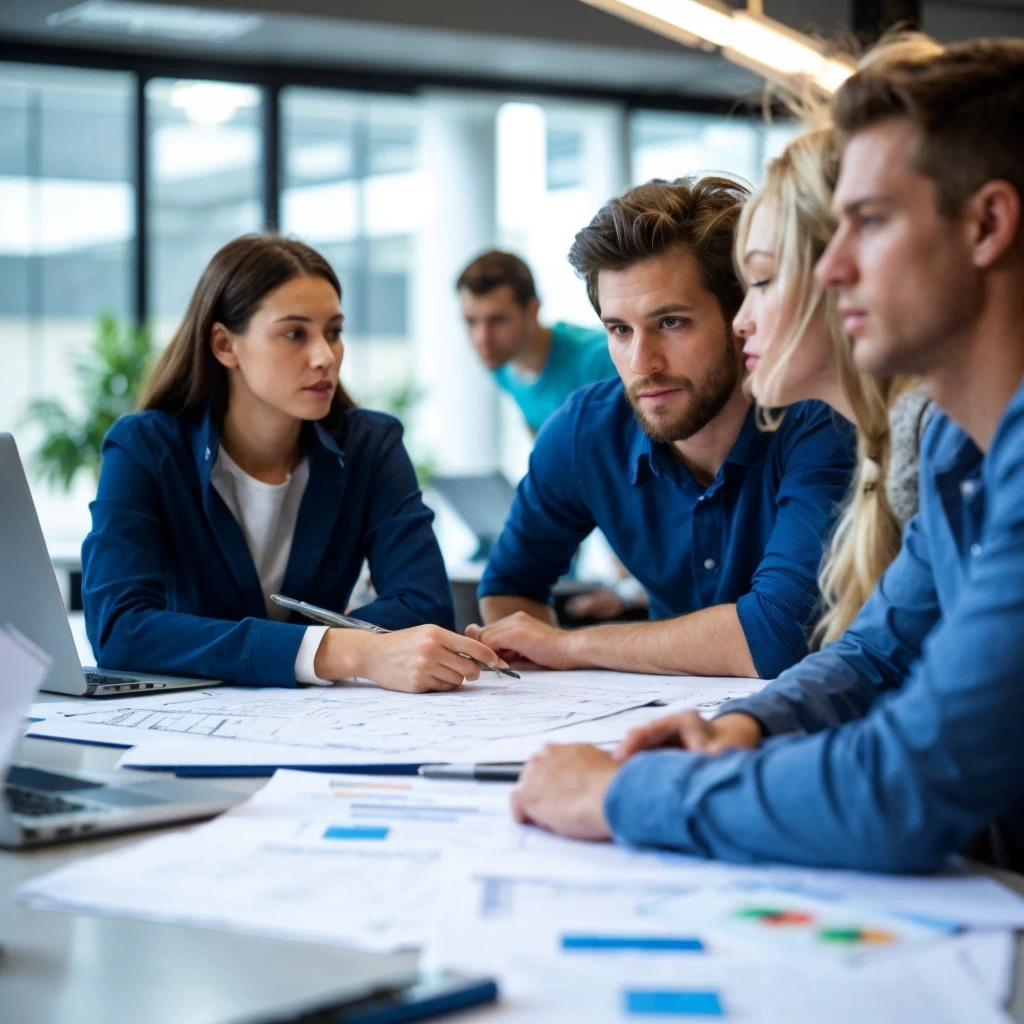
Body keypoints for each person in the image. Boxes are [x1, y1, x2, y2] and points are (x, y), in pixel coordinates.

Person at [509, 39, 1024, 873]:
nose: (836, 269)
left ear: (989, 225)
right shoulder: (955, 447)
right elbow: (875, 653)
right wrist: (738, 727)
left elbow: (906, 786)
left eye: (872, 223)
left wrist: (618, 798)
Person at [468, 176, 856, 680]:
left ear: (741, 316)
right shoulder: (585, 432)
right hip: (642, 723)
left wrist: (570, 647)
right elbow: (509, 588)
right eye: (620, 330)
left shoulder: (819, 418)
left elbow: (777, 635)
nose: (641, 362)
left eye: (671, 322)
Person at [82, 235, 505, 692]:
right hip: (184, 724)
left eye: (334, 332)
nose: (325, 356)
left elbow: (424, 606)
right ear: (225, 345)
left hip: (322, 726)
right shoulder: (144, 447)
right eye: (294, 333)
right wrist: (344, 651)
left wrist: (307, 650)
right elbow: (120, 629)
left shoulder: (370, 444)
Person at [735, 126, 932, 649]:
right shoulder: (886, 443)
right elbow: (870, 660)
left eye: (762, 281)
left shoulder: (934, 433)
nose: (741, 321)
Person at [457, 250, 616, 434]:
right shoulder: (498, 362)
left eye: (498, 320)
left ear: (532, 310)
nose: (482, 338)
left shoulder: (599, 359)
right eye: (471, 321)